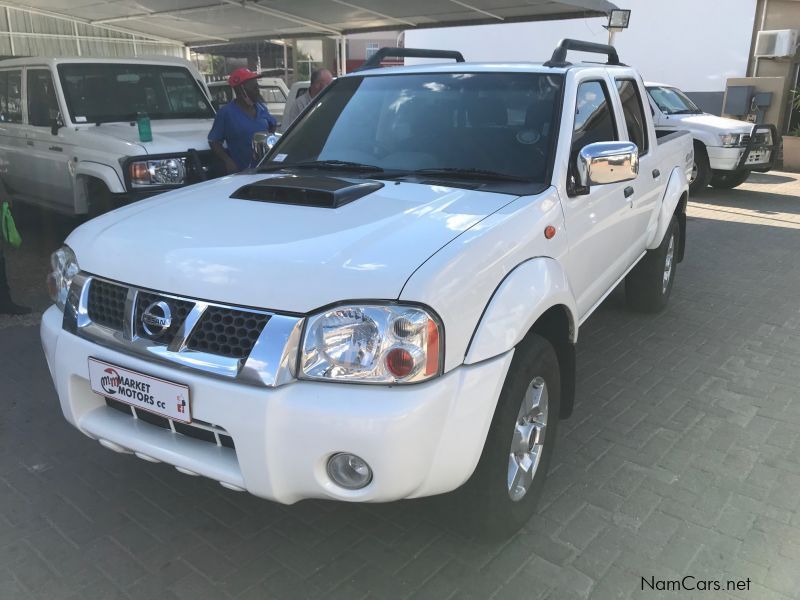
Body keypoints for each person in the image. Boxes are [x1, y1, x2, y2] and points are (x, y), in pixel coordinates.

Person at [209, 68, 277, 174]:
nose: (257, 90)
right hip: (242, 172)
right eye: (254, 87)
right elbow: (214, 141)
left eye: (257, 86)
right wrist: (227, 161)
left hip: (264, 170)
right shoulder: (226, 113)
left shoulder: (261, 108)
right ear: (241, 90)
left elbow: (272, 124)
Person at [279, 68, 334, 133]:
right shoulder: (299, 104)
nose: (332, 88)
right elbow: (291, 131)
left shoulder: (331, 102)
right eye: (329, 85)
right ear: (318, 85)